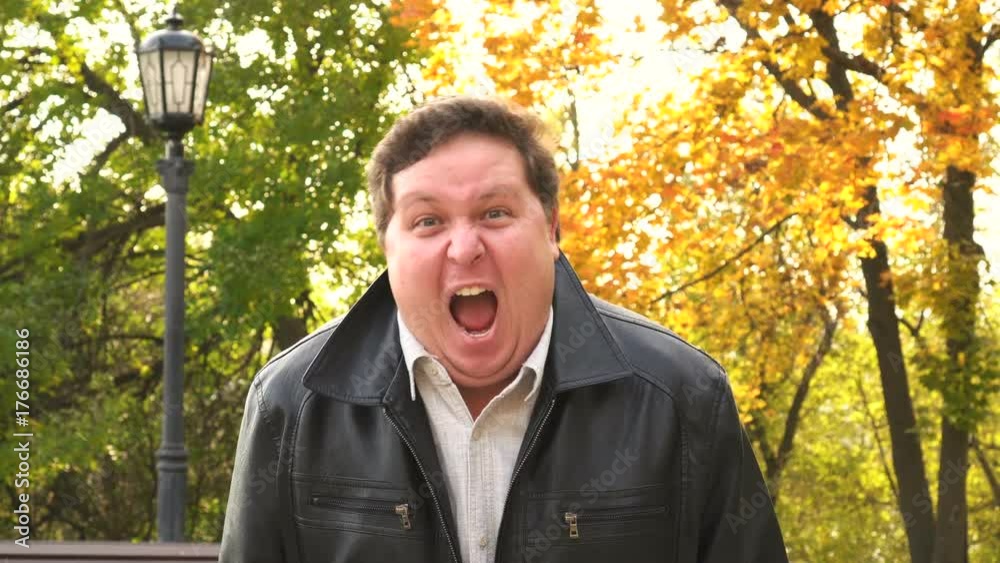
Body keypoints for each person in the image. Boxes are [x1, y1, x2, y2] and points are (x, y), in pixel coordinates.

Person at [219, 95, 788, 563]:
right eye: (427, 221)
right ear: (386, 249)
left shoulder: (682, 398)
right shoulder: (291, 404)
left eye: (495, 213)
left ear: (552, 229)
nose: (464, 248)